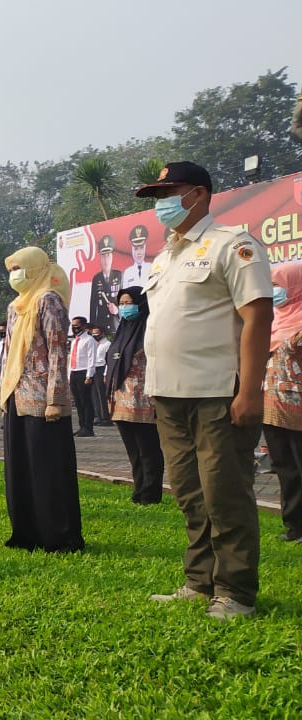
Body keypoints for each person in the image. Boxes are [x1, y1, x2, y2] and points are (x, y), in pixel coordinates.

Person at [137, 161, 273, 620]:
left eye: (167, 193)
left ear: (198, 194)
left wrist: (250, 391)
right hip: (169, 394)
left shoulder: (233, 245)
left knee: (225, 492)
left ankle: (235, 592)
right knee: (191, 494)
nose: (161, 204)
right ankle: (200, 582)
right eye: (156, 196)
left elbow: (257, 317)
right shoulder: (165, 257)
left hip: (219, 391)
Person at [0, 247, 84, 553]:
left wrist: (55, 399)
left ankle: (58, 536)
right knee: (20, 468)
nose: (14, 275)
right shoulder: (16, 306)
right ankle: (26, 532)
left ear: (36, 269)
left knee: (47, 469)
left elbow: (58, 352)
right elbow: (10, 355)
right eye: (11, 269)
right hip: (17, 397)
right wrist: (4, 394)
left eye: (20, 268)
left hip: (42, 401)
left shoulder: (49, 300)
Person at [104, 287, 164, 505]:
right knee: (133, 450)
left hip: (144, 398)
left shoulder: (151, 328)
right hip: (121, 399)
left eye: (129, 302)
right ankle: (139, 489)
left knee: (147, 448)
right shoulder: (123, 330)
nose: (124, 307)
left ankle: (151, 493)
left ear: (141, 303)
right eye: (121, 303)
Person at [264, 261, 302, 543]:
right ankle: (294, 526)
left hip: (299, 407)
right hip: (272, 407)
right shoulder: (275, 320)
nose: (274, 290)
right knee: (284, 468)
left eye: (278, 284)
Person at [67, 316, 98, 437]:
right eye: (73, 326)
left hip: (84, 373)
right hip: (74, 372)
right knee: (78, 401)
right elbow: (71, 359)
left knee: (86, 401)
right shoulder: (75, 340)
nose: (75, 328)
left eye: (77, 325)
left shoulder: (89, 340)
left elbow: (92, 359)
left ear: (84, 326)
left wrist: (89, 376)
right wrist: (70, 374)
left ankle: (88, 427)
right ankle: (81, 426)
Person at [90, 235, 123, 334]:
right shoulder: (97, 278)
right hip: (101, 327)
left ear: (112, 257)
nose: (106, 259)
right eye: (103, 256)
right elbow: (93, 305)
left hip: (116, 325)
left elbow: (124, 300)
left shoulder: (119, 275)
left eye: (108, 255)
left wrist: (118, 311)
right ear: (100, 258)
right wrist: (92, 328)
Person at [90, 325, 112, 426]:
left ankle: (105, 417)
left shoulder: (107, 344)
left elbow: (108, 361)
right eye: (93, 333)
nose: (95, 335)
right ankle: (98, 416)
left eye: (97, 333)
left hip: (102, 368)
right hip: (94, 368)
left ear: (102, 333)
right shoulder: (94, 343)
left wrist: (105, 374)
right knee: (94, 394)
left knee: (101, 394)